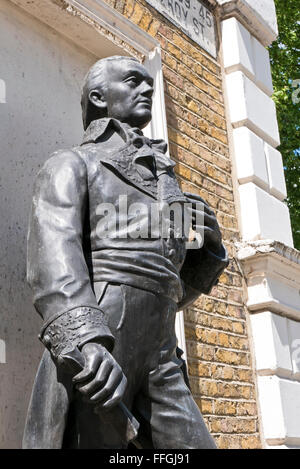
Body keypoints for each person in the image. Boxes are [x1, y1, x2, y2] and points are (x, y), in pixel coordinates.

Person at [23, 56, 228, 449]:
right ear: (98, 97)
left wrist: (209, 249)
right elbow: (54, 258)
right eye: (134, 81)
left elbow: (168, 287)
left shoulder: (168, 189)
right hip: (103, 340)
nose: (148, 89)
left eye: (150, 83)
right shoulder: (71, 163)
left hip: (163, 352)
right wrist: (86, 341)